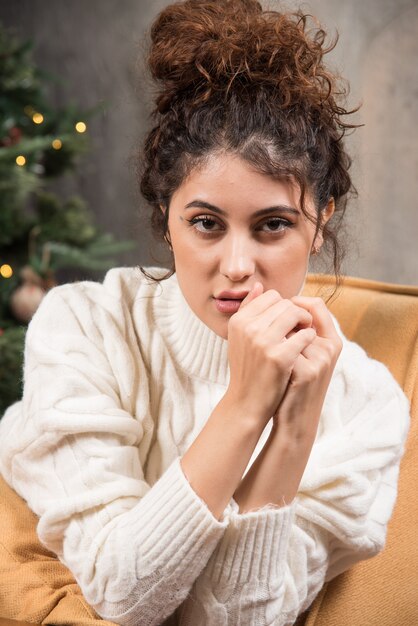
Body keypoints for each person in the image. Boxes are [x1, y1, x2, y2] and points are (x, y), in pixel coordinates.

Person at [0, 1, 411, 625]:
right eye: (205, 224)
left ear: (320, 225)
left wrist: (295, 425)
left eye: (273, 225)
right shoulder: (84, 328)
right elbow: (121, 596)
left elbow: (235, 620)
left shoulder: (366, 404)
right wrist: (246, 406)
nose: (238, 265)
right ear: (167, 217)